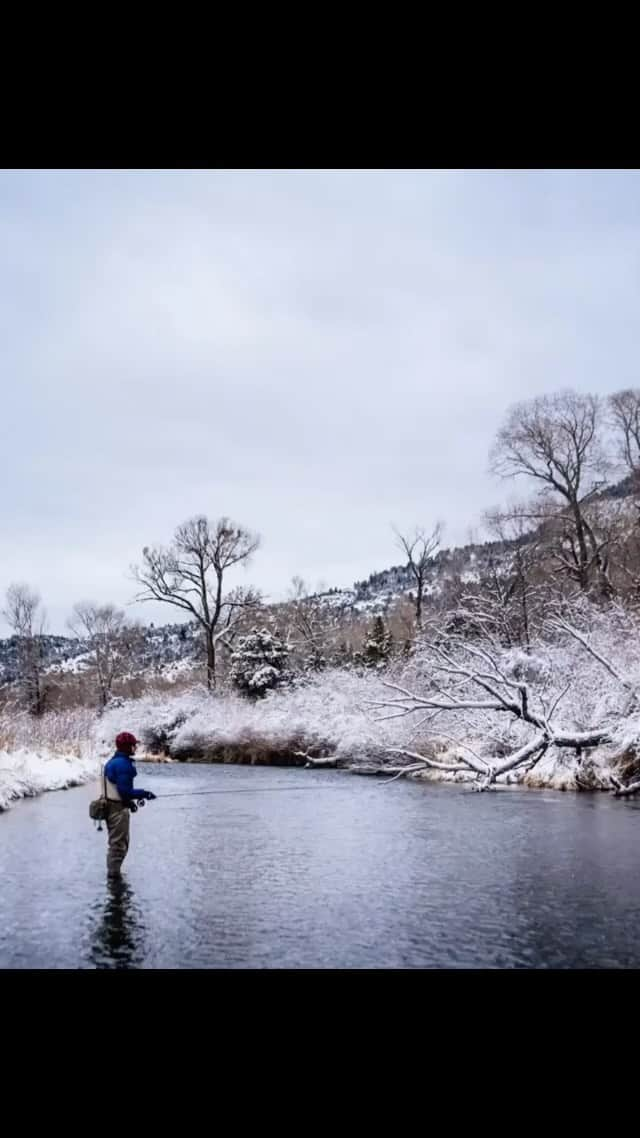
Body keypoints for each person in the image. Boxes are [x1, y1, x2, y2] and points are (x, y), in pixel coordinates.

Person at [103, 731, 156, 879]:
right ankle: (114, 878)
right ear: (127, 747)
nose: (135, 748)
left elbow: (118, 790)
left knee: (116, 843)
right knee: (118, 846)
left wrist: (130, 804)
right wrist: (144, 793)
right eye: (134, 745)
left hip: (110, 806)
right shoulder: (123, 764)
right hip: (117, 810)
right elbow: (125, 791)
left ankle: (114, 874)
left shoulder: (113, 761)